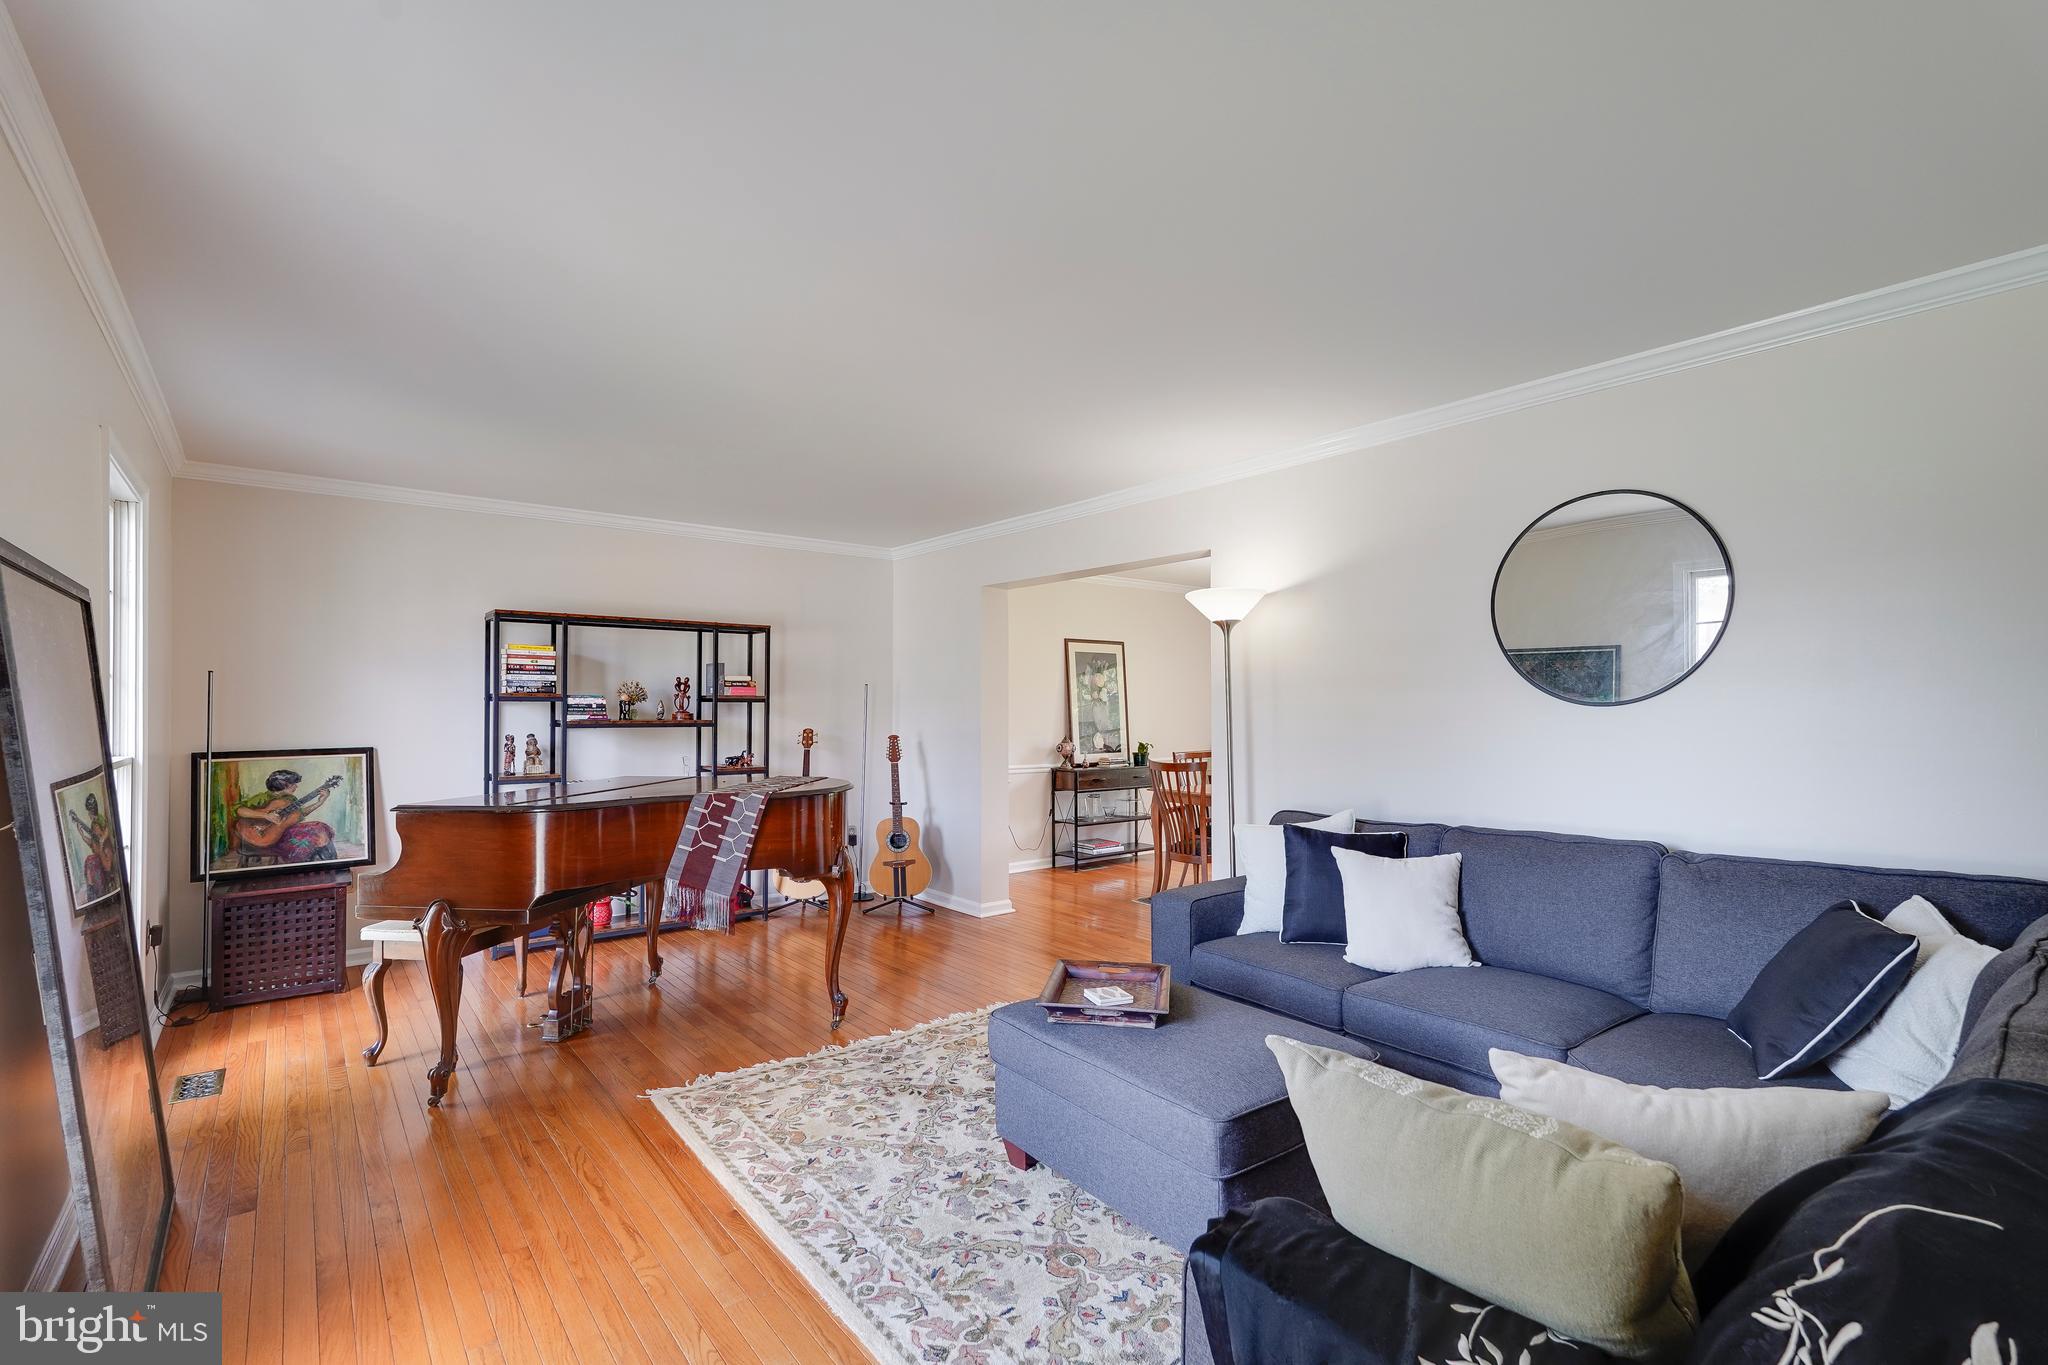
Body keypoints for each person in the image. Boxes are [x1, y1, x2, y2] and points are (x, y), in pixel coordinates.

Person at [236, 768, 338, 862]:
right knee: (310, 837)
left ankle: (330, 865)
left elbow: (300, 814)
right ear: (283, 784)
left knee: (319, 828)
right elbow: (239, 810)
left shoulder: (291, 799)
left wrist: (320, 802)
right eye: (293, 784)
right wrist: (265, 815)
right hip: (267, 837)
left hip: (285, 832)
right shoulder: (262, 797)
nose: (296, 786)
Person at [65, 790, 119, 902]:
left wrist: (103, 839)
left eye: (89, 812)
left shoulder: (99, 820)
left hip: (106, 854)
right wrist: (81, 834)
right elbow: (92, 843)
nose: (89, 815)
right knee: (89, 861)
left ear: (91, 811)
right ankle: (93, 894)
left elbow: (107, 829)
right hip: (100, 855)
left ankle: (97, 893)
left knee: (90, 862)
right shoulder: (93, 824)